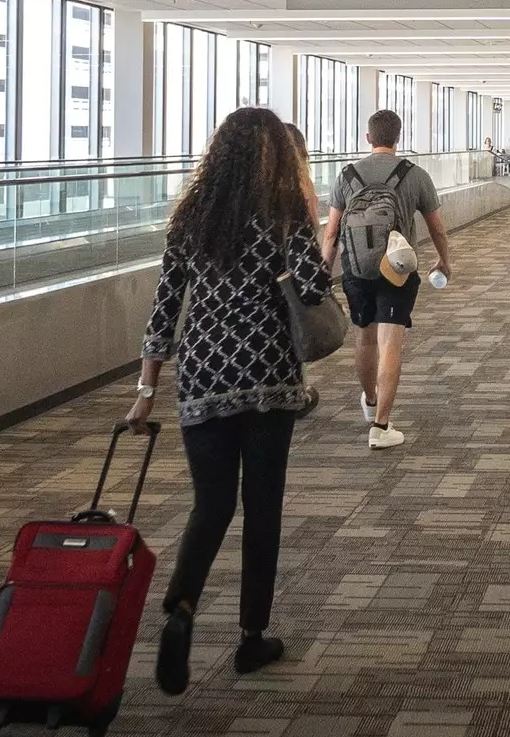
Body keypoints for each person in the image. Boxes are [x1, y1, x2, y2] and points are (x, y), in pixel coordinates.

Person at [125, 106, 329, 691]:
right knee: (262, 508)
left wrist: (146, 391)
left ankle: (182, 609)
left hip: (203, 377)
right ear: (275, 155)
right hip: (268, 374)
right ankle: (250, 639)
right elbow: (314, 287)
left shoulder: (191, 218)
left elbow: (164, 309)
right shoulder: (284, 213)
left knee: (210, 504)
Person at [322, 108, 452, 451]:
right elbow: (436, 227)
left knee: (363, 339)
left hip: (355, 269)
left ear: (369, 138)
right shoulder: (416, 175)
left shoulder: (346, 176)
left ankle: (369, 399)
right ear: (398, 138)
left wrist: (325, 270)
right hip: (397, 269)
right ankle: (381, 426)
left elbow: (331, 232)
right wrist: (444, 260)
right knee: (390, 342)